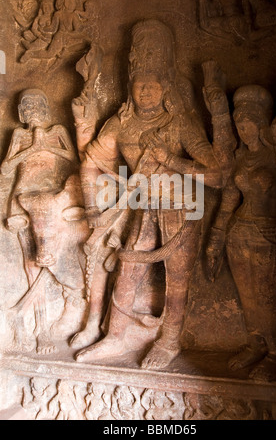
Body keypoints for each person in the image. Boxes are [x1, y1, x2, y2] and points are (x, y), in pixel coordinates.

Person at [73, 20, 229, 370]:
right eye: (139, 84)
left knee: (177, 277)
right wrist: (94, 212)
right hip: (143, 209)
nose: (145, 91)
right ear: (131, 87)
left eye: (152, 85)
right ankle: (115, 336)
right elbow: (91, 161)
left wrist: (171, 160)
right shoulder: (122, 123)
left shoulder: (180, 123)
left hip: (183, 209)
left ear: (165, 87)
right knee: (128, 268)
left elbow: (217, 176)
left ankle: (170, 341)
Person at [206, 84, 276, 381]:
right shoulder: (240, 159)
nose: (244, 130)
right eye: (239, 124)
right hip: (238, 233)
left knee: (267, 297)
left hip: (269, 235)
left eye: (249, 124)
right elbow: (229, 200)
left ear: (261, 125)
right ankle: (255, 344)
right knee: (247, 296)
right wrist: (216, 237)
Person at [1, 89, 87, 353]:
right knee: (32, 265)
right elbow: (5, 169)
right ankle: (40, 329)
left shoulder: (58, 131)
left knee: (51, 259)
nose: (31, 109)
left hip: (53, 202)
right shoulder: (20, 135)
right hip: (23, 201)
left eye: (36, 104)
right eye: (25, 106)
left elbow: (75, 159)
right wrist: (29, 149)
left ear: (46, 108)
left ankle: (25, 315)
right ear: (19, 113)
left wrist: (46, 146)